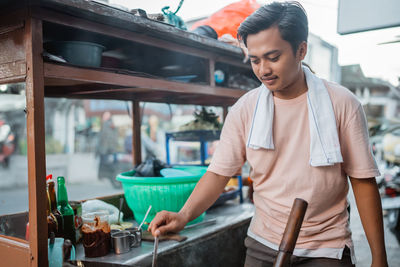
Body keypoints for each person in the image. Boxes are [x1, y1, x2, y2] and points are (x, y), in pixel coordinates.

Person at [148, 2, 388, 266]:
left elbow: (363, 181)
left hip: (325, 246)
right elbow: (218, 173)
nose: (263, 70)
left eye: (273, 57)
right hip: (263, 243)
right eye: (255, 59)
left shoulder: (342, 104)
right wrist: (183, 215)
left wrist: (379, 257)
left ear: (301, 50)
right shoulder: (245, 109)